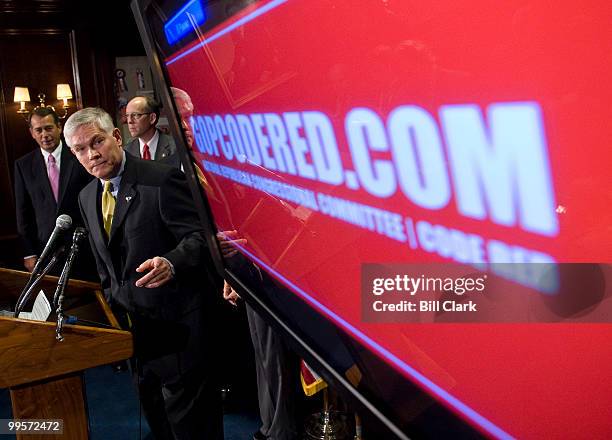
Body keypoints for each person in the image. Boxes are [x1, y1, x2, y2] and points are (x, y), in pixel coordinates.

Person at [64, 107, 223, 440]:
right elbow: (105, 266)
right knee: (159, 426)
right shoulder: (86, 195)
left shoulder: (162, 179)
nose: (92, 154)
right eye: (81, 149)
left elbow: (200, 238)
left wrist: (172, 262)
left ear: (117, 137)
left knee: (194, 430)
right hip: (136, 338)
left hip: (181, 332)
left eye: (97, 141)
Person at [13, 107, 95, 277]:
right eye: (39, 130)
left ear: (59, 127)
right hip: (47, 251)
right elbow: (23, 212)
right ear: (32, 133)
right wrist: (29, 252)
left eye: (49, 128)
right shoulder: (23, 165)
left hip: (85, 246)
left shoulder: (79, 155)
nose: (45, 134)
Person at [124, 96, 177, 163]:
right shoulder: (127, 151)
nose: (129, 121)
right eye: (127, 116)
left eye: (135, 115)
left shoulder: (174, 147)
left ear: (152, 118)